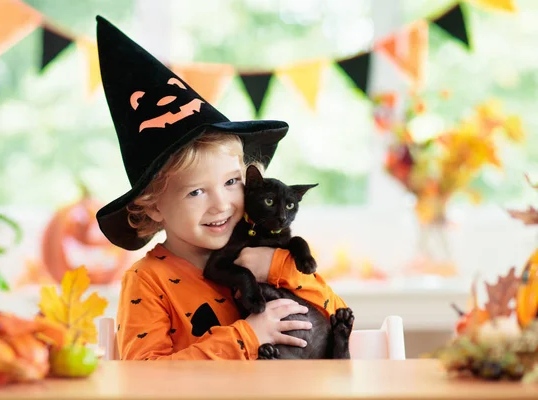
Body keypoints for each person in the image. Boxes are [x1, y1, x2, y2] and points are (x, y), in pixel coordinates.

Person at [94, 16, 348, 360]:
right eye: (196, 192)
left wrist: (277, 265)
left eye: (231, 182)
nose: (222, 205)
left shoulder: (269, 253)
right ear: (153, 206)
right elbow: (143, 376)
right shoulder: (148, 281)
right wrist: (246, 337)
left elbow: (338, 318)